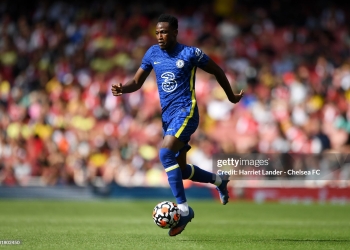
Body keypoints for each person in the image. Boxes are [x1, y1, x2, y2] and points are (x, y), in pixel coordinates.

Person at [111, 14, 244, 236]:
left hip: (186, 112)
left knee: (165, 155)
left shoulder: (190, 53)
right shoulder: (152, 53)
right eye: (157, 32)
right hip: (168, 118)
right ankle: (220, 180)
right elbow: (137, 81)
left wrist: (230, 96)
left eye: (164, 32)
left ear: (175, 33)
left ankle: (183, 209)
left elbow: (218, 71)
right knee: (181, 170)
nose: (160, 36)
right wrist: (123, 88)